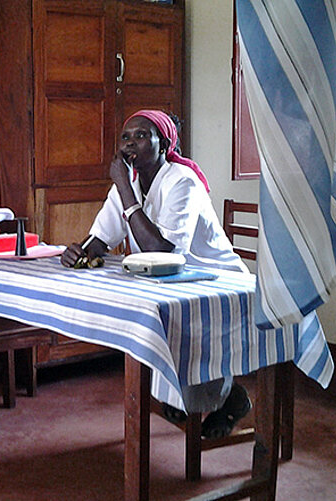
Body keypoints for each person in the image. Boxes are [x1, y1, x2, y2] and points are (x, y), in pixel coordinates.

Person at [61, 109, 251, 438]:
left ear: (163, 144)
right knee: (151, 319)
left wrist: (124, 188)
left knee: (176, 324)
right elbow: (103, 236)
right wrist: (80, 249)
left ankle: (230, 399)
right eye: (125, 137)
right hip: (172, 283)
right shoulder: (130, 183)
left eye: (140, 136)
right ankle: (188, 395)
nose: (130, 144)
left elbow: (165, 252)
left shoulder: (182, 181)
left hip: (217, 280)